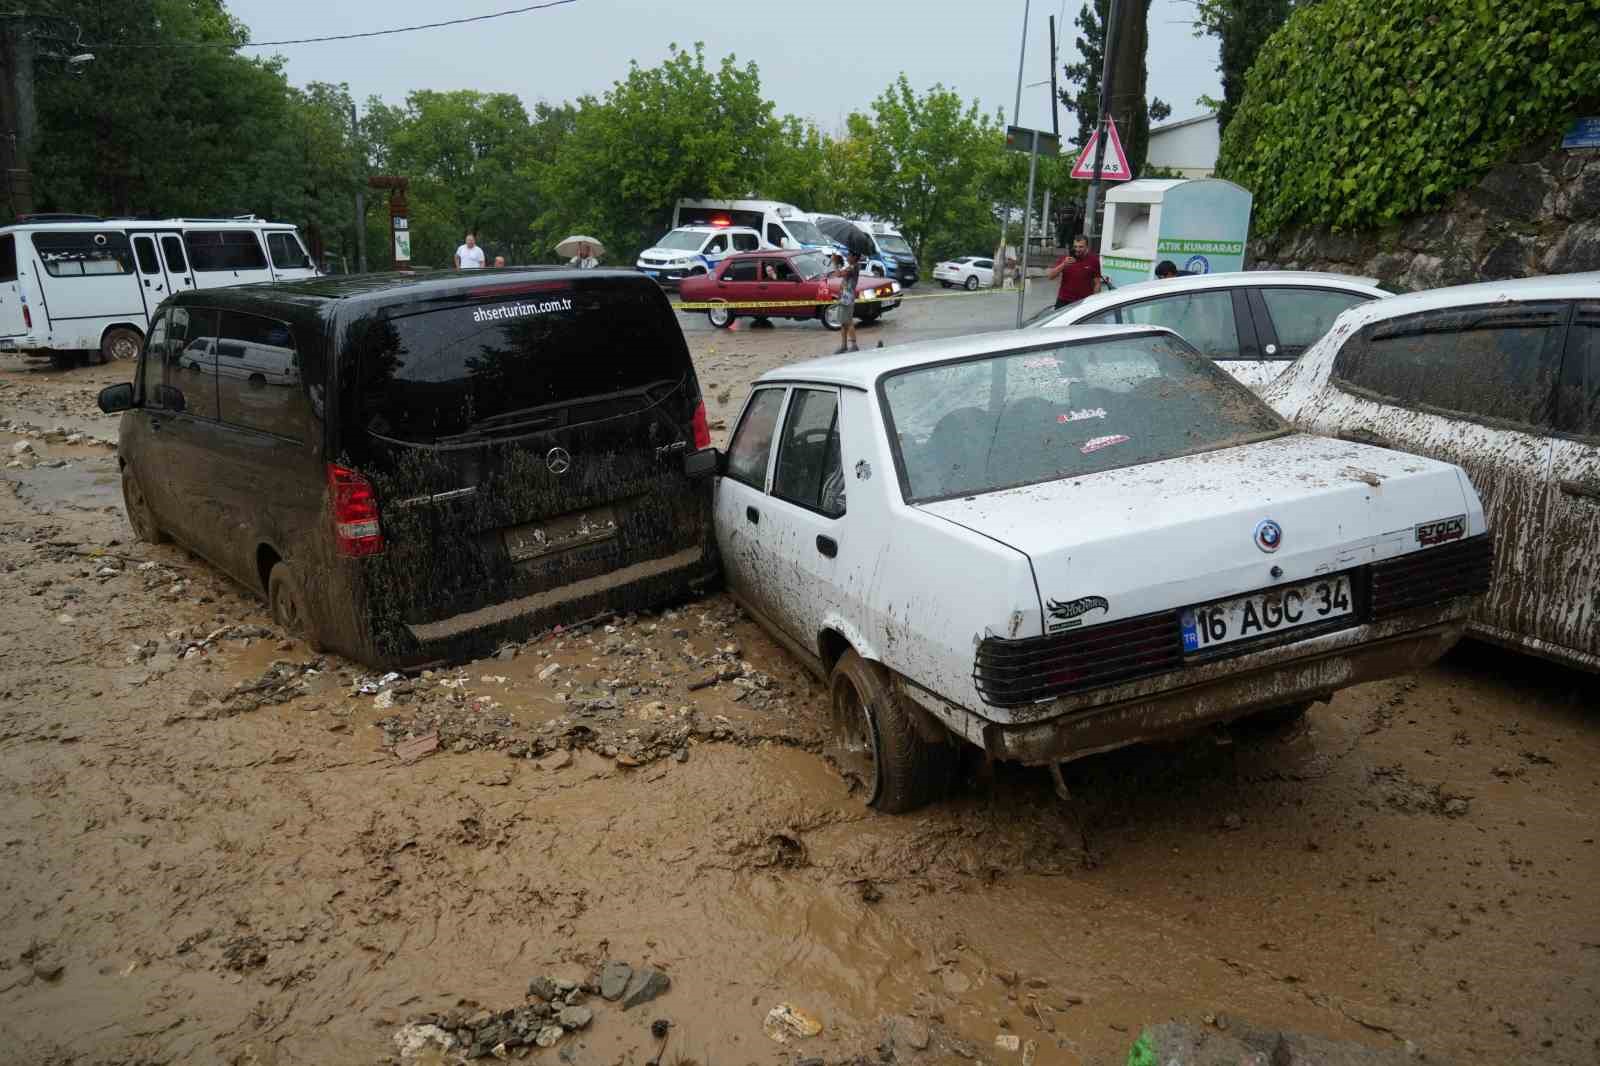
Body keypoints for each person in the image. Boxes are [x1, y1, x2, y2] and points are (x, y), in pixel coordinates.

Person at [1044, 234, 1102, 309]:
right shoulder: (1066, 258)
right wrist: (1063, 264)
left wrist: (1094, 301)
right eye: (1075, 246)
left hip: (1083, 302)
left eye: (1081, 247)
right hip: (1063, 300)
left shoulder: (1093, 260)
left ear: (1087, 247)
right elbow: (1050, 276)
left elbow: (1097, 283)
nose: (1077, 249)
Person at [832, 252, 862, 354]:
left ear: (854, 257)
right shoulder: (851, 266)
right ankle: (844, 346)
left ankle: (854, 345)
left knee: (848, 321)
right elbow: (842, 273)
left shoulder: (853, 267)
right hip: (844, 296)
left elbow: (839, 274)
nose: (847, 257)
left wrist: (835, 262)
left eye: (849, 255)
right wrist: (839, 263)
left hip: (847, 297)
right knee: (843, 322)